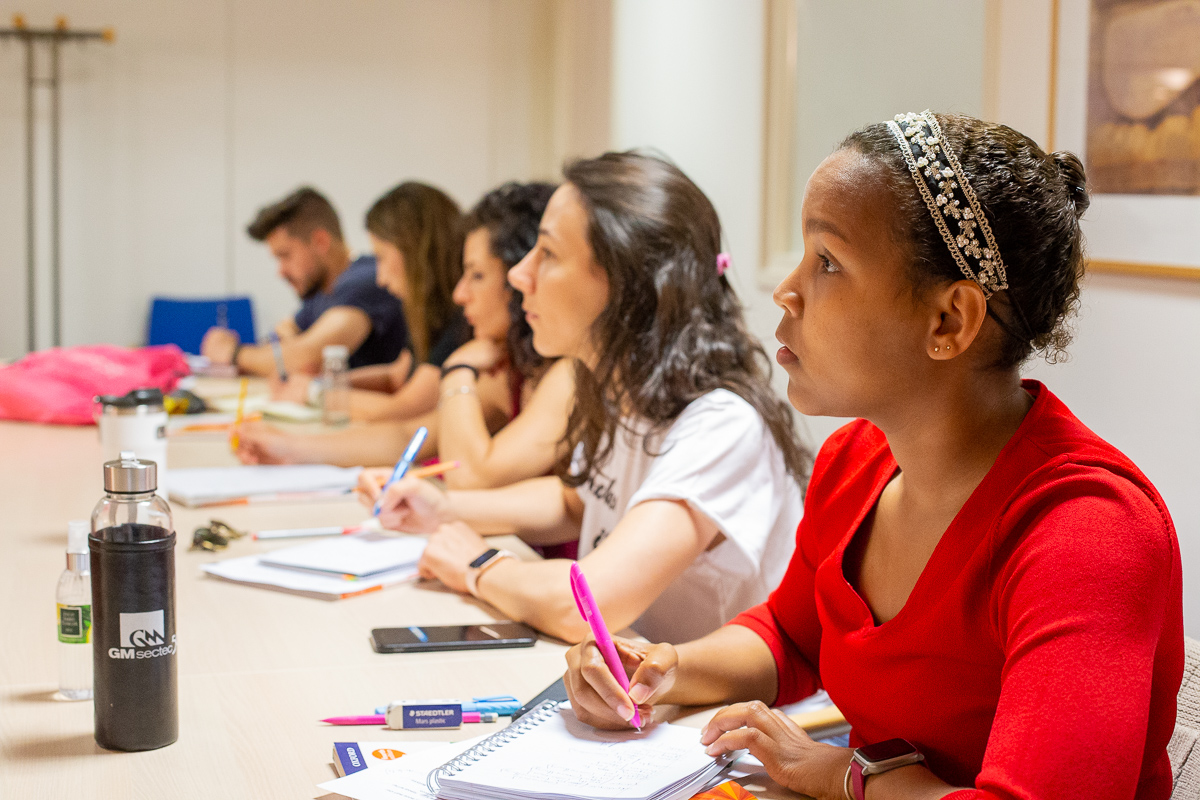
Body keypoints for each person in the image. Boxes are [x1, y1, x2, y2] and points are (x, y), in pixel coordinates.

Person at [563, 113, 1184, 800]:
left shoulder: (1086, 533)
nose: (786, 290)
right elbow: (793, 637)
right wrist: (665, 668)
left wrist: (845, 776)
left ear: (949, 321)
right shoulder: (857, 459)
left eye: (827, 261)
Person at [372, 152, 808, 645]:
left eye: (549, 255)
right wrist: (446, 509)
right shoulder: (622, 387)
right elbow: (577, 503)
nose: (519, 275)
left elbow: (587, 605)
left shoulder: (723, 424)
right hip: (641, 688)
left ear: (627, 285)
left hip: (715, 715)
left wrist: (477, 565)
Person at [237, 182, 575, 485]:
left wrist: (458, 370)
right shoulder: (503, 364)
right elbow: (410, 435)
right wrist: (291, 447)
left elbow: (466, 472)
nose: (461, 294)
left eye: (476, 276)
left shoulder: (557, 375)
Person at [275, 181, 468, 422]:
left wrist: (315, 393)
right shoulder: (429, 312)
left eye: (382, 257)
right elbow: (395, 376)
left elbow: (406, 410)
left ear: (415, 252)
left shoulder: (460, 319)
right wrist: (323, 384)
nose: (381, 278)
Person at [201, 187, 407, 375]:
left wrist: (233, 353)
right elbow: (282, 340)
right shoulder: (321, 291)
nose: (280, 272)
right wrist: (286, 350)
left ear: (320, 242)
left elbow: (305, 359)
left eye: (285, 256)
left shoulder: (367, 281)